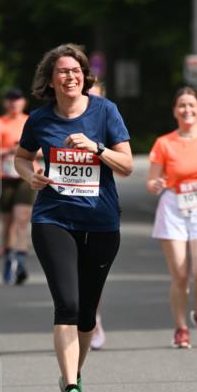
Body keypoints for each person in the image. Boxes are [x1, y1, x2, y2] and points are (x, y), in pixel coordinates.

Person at [14, 43, 132, 392]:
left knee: (86, 312)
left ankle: (74, 375)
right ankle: (71, 389)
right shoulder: (39, 120)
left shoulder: (105, 111)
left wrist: (96, 148)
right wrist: (30, 175)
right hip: (53, 219)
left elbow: (127, 164)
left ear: (85, 76)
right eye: (63, 71)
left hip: (101, 223)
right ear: (50, 79)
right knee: (66, 303)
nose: (70, 76)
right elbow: (21, 157)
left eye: (76, 70)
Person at [147, 86, 197, 348]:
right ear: (174, 111)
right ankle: (181, 328)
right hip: (173, 207)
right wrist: (156, 184)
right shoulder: (164, 143)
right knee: (180, 276)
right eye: (181, 105)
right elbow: (151, 182)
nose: (187, 110)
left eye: (192, 105)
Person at [0, 88, 34, 285]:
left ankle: (21, 263)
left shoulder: (30, 121)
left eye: (17, 99)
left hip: (26, 176)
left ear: (24, 102)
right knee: (8, 221)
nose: (14, 103)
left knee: (22, 218)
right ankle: (8, 257)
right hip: (4, 176)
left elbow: (43, 148)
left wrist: (24, 152)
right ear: (5, 103)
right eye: (10, 100)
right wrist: (8, 150)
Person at [87, 79, 107, 349]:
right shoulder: (60, 120)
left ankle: (94, 318)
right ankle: (72, 321)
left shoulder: (109, 122)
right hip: (63, 210)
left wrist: (98, 149)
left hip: (99, 209)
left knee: (92, 276)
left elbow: (125, 165)